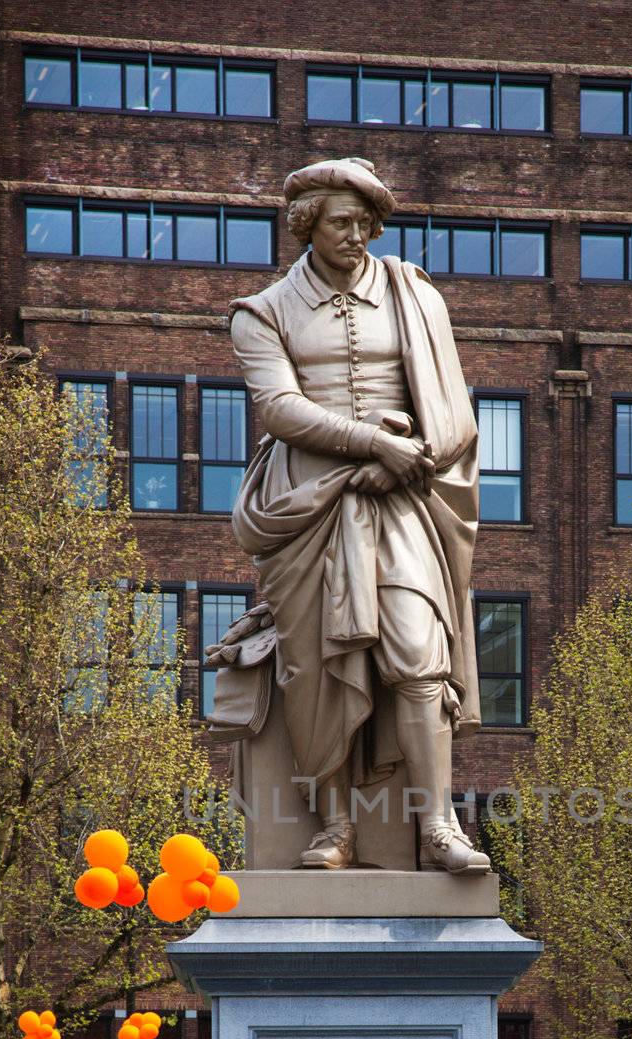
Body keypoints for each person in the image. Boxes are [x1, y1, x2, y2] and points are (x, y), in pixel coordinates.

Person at [227, 156, 490, 875]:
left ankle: (438, 828)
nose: (359, 234)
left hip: (401, 498)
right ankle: (334, 827)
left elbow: (454, 412)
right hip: (306, 511)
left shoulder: (412, 293)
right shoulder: (262, 312)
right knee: (314, 672)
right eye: (343, 222)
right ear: (307, 224)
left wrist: (410, 455)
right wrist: (375, 442)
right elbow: (278, 409)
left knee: (417, 652)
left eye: (367, 223)